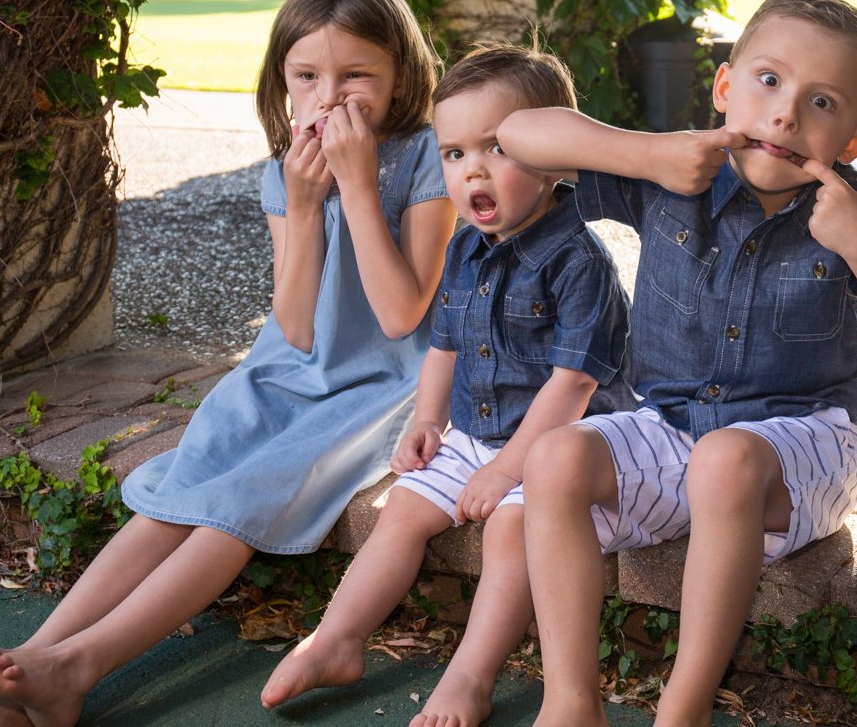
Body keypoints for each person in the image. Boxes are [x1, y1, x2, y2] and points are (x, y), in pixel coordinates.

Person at [0, 0, 455, 727]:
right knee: (183, 486)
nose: (329, 97)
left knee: (232, 503)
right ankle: (36, 655)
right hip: (290, 370)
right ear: (283, 83)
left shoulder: (427, 157)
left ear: (401, 78)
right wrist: (303, 206)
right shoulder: (284, 172)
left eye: (356, 75)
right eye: (308, 76)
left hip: (385, 386)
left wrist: (358, 189)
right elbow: (295, 327)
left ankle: (74, 670)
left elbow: (402, 315)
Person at [498, 0, 857, 727]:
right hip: (675, 431)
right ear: (724, 87)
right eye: (769, 82)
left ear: (855, 141)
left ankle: (683, 708)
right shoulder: (675, 175)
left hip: (804, 449)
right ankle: (570, 702)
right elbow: (516, 135)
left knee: (727, 461)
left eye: (822, 101)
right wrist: (646, 151)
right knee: (552, 459)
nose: (786, 114)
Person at [259, 44, 633, 726]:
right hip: (476, 432)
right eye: (454, 153)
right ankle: (337, 639)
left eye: (497, 147)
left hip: (557, 452)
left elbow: (573, 387)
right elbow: (446, 342)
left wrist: (504, 472)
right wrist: (426, 420)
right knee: (402, 511)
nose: (471, 171)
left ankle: (470, 677)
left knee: (508, 528)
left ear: (556, 156)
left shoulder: (579, 260)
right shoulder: (467, 245)